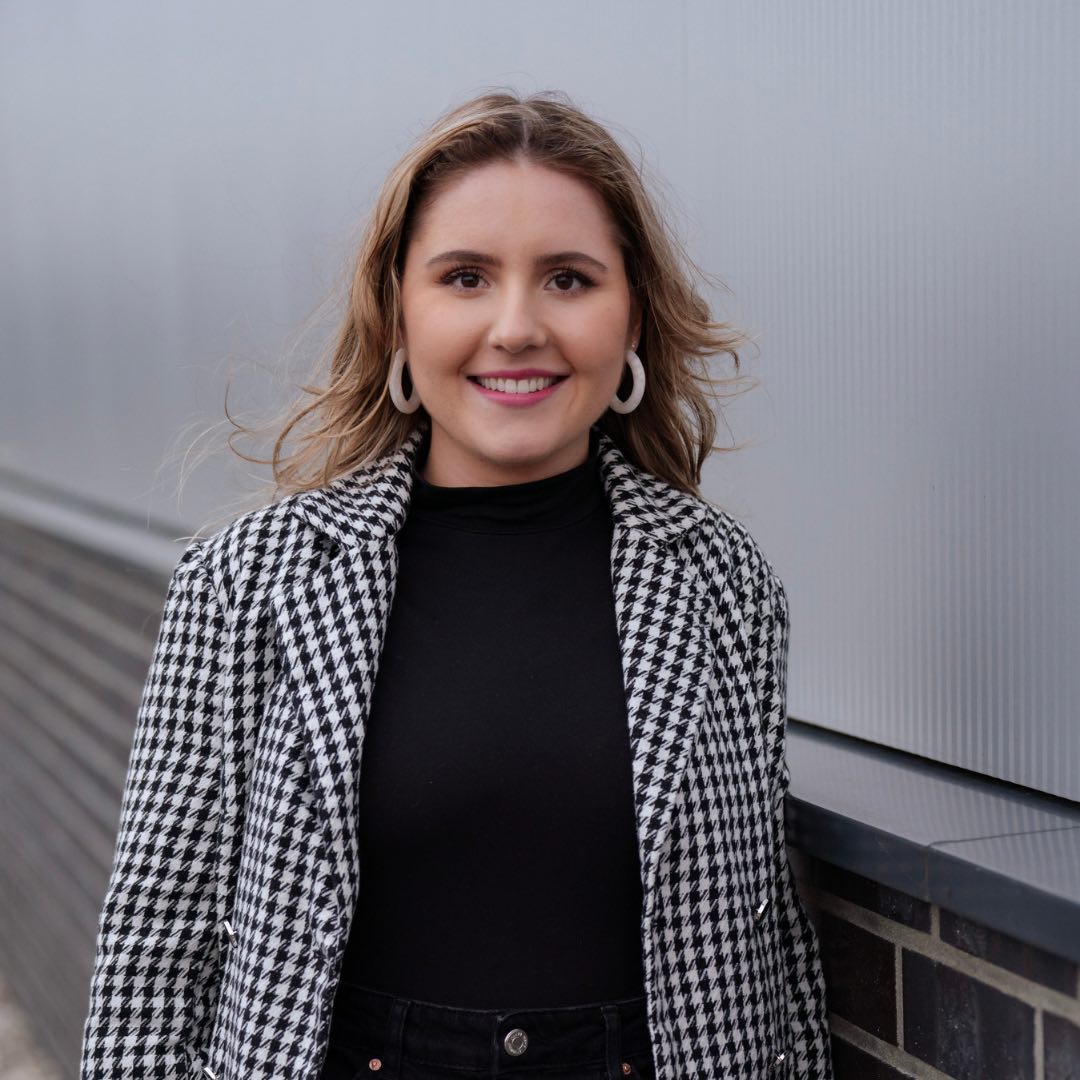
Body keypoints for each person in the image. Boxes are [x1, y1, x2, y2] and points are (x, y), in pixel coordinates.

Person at [78, 90, 834, 1079]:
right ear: (397, 312)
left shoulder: (723, 582)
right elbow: (155, 946)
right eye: (466, 277)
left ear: (633, 316)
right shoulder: (249, 582)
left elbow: (768, 940)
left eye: (568, 278)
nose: (516, 327)